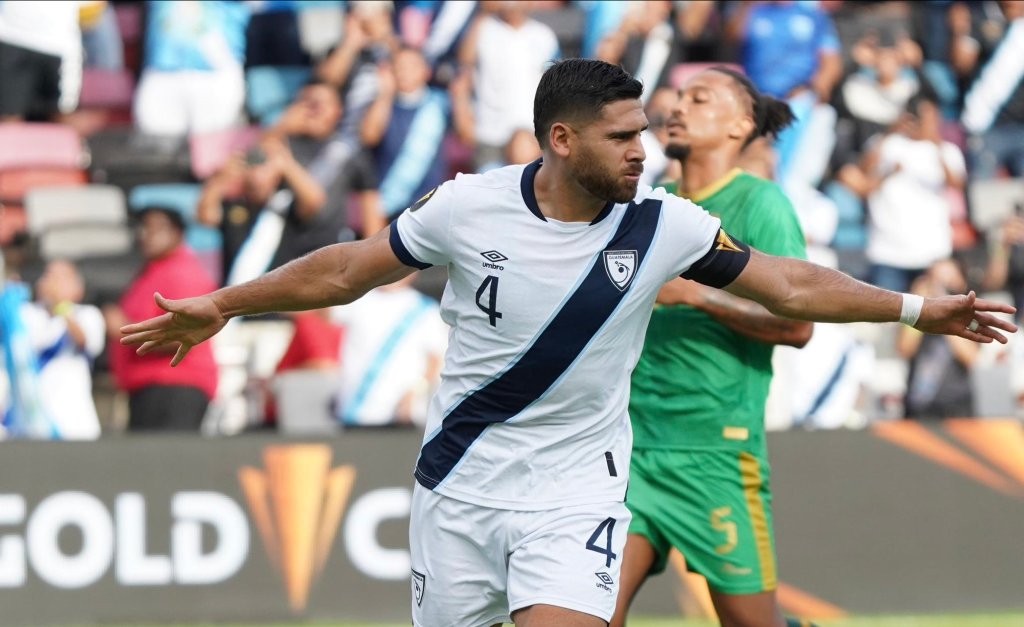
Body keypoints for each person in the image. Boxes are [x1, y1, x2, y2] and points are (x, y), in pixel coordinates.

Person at [119, 59, 1016, 627]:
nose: (643, 151)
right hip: (458, 488)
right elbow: (351, 267)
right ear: (562, 140)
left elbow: (790, 285)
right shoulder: (467, 205)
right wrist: (224, 303)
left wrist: (910, 307)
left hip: (579, 491)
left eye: (644, 133)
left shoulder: (666, 223)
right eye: (622, 137)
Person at [610, 66, 816, 627]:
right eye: (678, 97)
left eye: (700, 99)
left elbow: (798, 326)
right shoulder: (645, 208)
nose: (678, 107)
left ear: (740, 125)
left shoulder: (762, 204)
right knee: (590, 612)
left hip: (715, 452)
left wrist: (697, 297)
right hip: (627, 452)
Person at [106, 207, 218, 431]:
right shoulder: (152, 271)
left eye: (156, 228)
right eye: (144, 228)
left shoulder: (182, 272)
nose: (146, 234)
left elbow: (183, 336)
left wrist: (124, 330)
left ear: (178, 233)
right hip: (151, 389)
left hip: (174, 388)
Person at [22, 260, 104, 440]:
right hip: (32, 422)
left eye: (61, 278)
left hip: (75, 422)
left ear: (78, 288)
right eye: (49, 276)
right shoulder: (27, 314)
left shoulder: (88, 314)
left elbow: (85, 341)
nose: (53, 282)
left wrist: (60, 305)